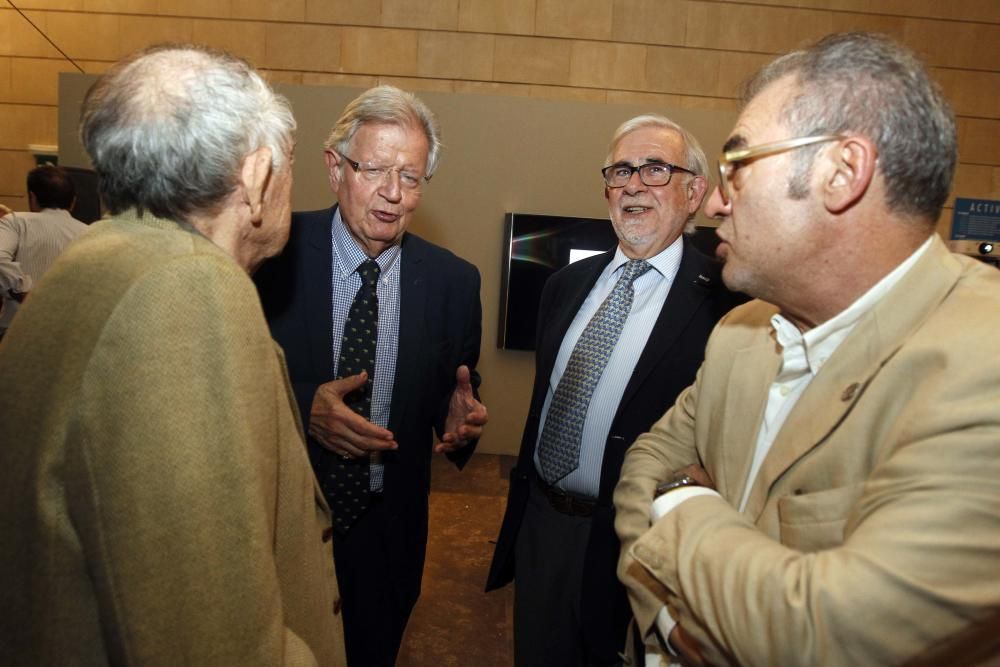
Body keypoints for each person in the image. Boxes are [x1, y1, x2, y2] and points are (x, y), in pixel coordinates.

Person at [614, 32, 1000, 667]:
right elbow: (648, 459)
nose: (714, 201)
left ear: (842, 172)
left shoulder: (977, 365)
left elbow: (836, 633)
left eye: (738, 164)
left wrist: (685, 500)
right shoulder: (742, 335)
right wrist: (665, 619)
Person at [0, 45, 346, 665]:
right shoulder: (187, 291)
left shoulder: (94, 262)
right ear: (258, 177)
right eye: (293, 163)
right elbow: (209, 636)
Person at [486, 114, 745, 665]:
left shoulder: (727, 306)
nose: (632, 184)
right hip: (541, 525)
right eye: (620, 170)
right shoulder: (564, 286)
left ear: (695, 191)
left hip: (637, 544)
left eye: (654, 169)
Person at [255, 85, 488, 666]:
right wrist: (304, 403)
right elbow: (224, 381)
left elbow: (453, 393)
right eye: (375, 169)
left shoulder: (454, 282)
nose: (392, 194)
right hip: (280, 523)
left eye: (410, 177)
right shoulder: (270, 254)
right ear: (335, 168)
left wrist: (461, 423)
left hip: (388, 531)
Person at [0, 164, 88, 338]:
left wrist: (23, 291)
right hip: (66, 334)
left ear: (32, 197)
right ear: (73, 201)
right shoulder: (89, 233)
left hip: (16, 330)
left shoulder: (16, 222)